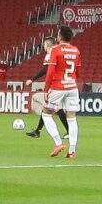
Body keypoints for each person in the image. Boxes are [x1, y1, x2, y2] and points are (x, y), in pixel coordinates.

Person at [41, 26, 82, 159]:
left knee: (46, 114)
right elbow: (78, 72)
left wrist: (46, 89)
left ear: (60, 37)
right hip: (72, 86)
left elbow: (50, 72)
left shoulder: (55, 50)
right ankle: (72, 151)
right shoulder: (76, 50)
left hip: (58, 87)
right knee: (72, 118)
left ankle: (58, 143)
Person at [25, 37, 69, 139]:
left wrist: (32, 79)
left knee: (55, 109)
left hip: (55, 85)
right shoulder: (59, 52)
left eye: (44, 45)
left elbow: (45, 70)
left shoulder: (51, 54)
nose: (43, 47)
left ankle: (70, 131)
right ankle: (37, 131)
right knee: (49, 108)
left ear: (47, 45)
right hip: (61, 83)